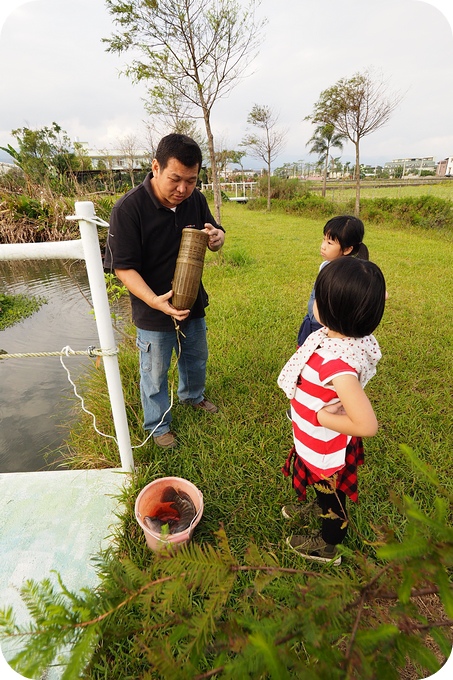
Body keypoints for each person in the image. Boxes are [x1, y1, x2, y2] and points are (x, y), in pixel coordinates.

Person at [104, 133, 225, 449]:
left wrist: (217, 237)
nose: (183, 189)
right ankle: (158, 426)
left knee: (196, 358)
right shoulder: (129, 209)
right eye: (175, 179)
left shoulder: (194, 200)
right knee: (155, 373)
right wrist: (154, 301)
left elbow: (213, 230)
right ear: (155, 167)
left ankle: (192, 397)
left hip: (192, 302)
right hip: (153, 309)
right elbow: (123, 268)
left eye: (191, 180)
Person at [278, 257, 386, 565]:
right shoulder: (340, 339)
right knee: (323, 490)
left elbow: (367, 424)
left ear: (330, 308)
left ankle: (329, 546)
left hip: (325, 447)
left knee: (332, 499)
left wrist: (320, 417)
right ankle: (319, 502)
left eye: (317, 296)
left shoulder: (338, 366)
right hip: (314, 438)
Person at [297, 215, 369, 347]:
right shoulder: (325, 265)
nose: (323, 246)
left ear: (347, 249)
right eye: (324, 239)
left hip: (329, 330)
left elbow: (379, 292)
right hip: (313, 321)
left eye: (330, 243)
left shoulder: (350, 273)